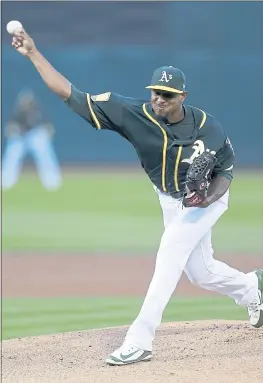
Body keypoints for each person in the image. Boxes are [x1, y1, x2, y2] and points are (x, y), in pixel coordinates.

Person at [10, 28, 262, 366]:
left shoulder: (206, 125)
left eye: (168, 95)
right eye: (157, 92)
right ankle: (253, 288)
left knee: (170, 253)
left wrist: (209, 196)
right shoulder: (131, 113)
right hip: (172, 201)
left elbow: (227, 170)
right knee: (200, 272)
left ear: (182, 96)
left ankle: (140, 339)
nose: (160, 98)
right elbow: (71, 95)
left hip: (207, 201)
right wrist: (33, 54)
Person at [2, 88, 62, 191]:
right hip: (21, 137)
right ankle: (6, 179)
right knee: (13, 152)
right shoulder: (17, 113)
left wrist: (47, 132)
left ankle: (51, 180)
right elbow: (9, 128)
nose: (26, 104)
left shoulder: (39, 111)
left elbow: (49, 127)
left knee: (44, 150)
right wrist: (13, 131)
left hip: (35, 136)